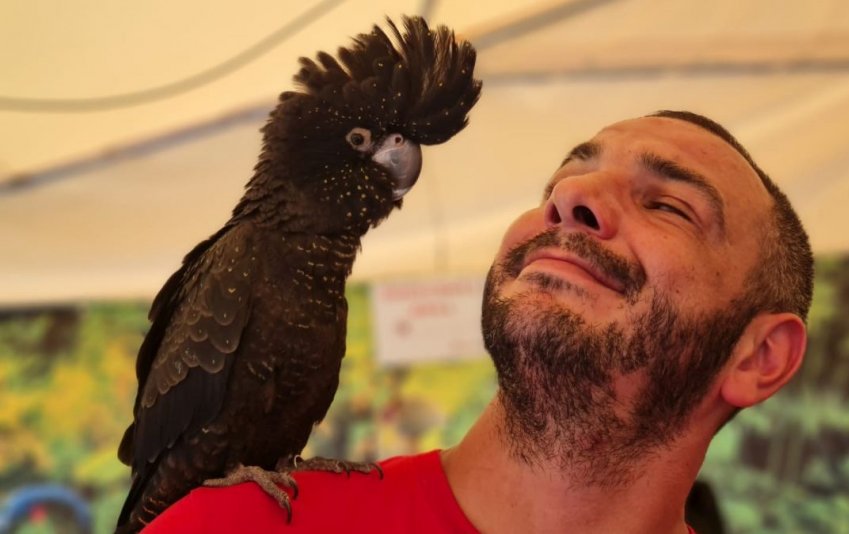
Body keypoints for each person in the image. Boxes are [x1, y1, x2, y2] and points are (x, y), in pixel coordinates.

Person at [143, 110, 813, 533]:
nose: (570, 199)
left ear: (761, 358)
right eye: (559, 184)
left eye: (669, 207)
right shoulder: (232, 526)